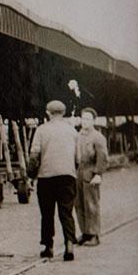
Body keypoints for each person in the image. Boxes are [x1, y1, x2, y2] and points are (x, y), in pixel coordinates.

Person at [28, 100, 79, 261]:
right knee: (66, 212)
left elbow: (34, 156)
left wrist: (31, 175)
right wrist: (72, 169)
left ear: (48, 113)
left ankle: (47, 246)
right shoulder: (72, 131)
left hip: (46, 177)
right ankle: (69, 245)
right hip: (67, 176)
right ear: (63, 113)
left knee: (47, 213)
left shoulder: (41, 130)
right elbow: (78, 157)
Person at [75, 107, 107, 246]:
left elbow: (102, 156)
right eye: (83, 118)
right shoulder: (77, 135)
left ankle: (94, 234)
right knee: (79, 203)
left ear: (93, 120)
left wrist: (98, 173)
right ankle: (85, 232)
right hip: (78, 173)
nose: (85, 121)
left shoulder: (98, 137)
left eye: (88, 119)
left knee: (91, 204)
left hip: (90, 172)